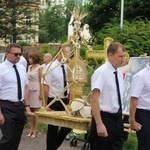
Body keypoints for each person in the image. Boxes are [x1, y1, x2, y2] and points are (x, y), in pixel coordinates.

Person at [89, 42, 126, 150]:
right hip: (105, 118)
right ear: (110, 55)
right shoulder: (101, 72)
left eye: (124, 56)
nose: (123, 59)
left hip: (118, 118)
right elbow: (94, 98)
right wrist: (99, 124)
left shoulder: (118, 73)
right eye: (120, 56)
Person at [0, 43, 30, 150]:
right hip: (6, 106)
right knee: (8, 137)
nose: (18, 56)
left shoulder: (22, 68)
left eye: (20, 54)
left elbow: (26, 87)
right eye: (15, 54)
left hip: (20, 107)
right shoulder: (1, 69)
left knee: (16, 138)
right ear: (7, 54)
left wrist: (27, 106)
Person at [43, 46, 72, 150]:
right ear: (60, 52)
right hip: (54, 100)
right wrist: (46, 105)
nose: (69, 56)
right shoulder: (51, 67)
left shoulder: (67, 67)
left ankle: (53, 147)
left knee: (68, 126)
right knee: (53, 128)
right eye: (67, 53)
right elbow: (45, 86)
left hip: (65, 100)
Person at [130, 62, 150, 150]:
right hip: (143, 113)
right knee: (145, 144)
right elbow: (133, 99)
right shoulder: (141, 76)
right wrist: (132, 120)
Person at [27, 51, 42, 138]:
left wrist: (41, 93)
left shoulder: (39, 68)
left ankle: (35, 130)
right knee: (31, 110)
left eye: (30, 58)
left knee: (36, 111)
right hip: (29, 88)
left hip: (36, 89)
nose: (29, 60)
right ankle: (31, 128)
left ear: (34, 59)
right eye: (29, 58)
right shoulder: (29, 67)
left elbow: (41, 80)